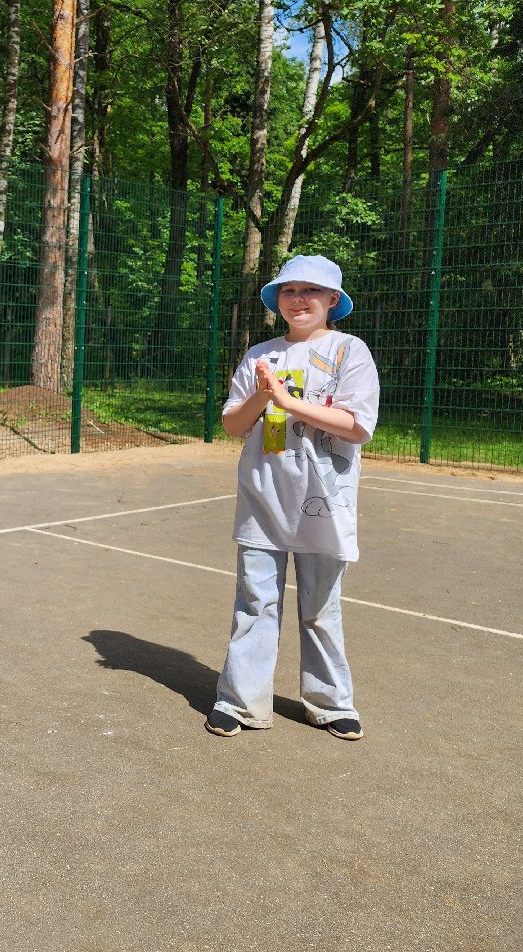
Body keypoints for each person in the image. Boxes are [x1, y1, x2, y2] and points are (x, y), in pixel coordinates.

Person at [206, 255, 380, 742]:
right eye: (288, 290)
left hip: (326, 504)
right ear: (277, 300)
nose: (298, 299)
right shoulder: (262, 354)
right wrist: (263, 396)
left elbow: (358, 425)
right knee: (256, 603)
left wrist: (288, 402)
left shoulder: (350, 351)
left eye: (310, 291)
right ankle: (240, 701)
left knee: (320, 607)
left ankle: (330, 702)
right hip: (263, 501)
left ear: (332, 301)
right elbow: (233, 424)